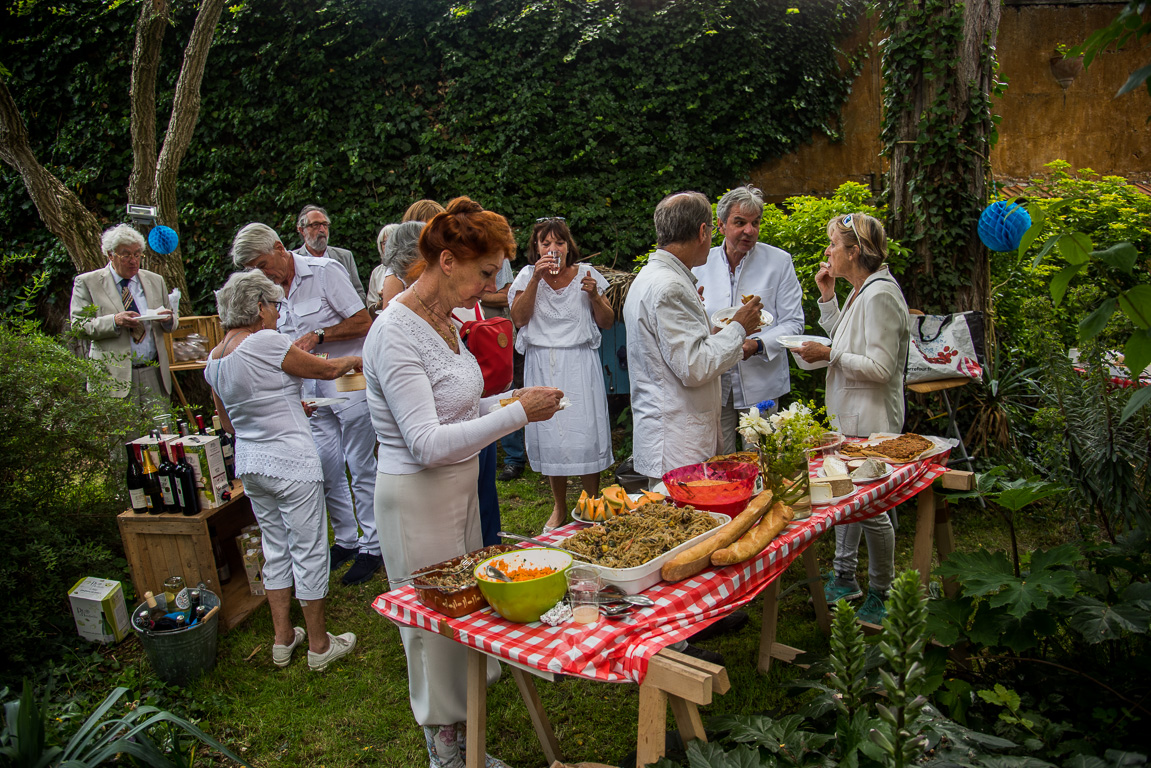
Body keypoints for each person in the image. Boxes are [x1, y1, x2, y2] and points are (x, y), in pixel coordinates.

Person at [363, 196, 562, 768]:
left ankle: (465, 743)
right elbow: (425, 443)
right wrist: (519, 414)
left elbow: (462, 405)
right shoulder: (395, 332)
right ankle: (445, 756)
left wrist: (513, 399)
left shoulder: (446, 320)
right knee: (431, 633)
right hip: (417, 499)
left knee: (466, 615)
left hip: (460, 490)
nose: (490, 286)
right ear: (446, 261)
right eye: (485, 273)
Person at [206, 270, 360, 671]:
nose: (277, 313)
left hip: (252, 463)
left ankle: (282, 639)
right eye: (274, 305)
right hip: (290, 461)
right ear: (258, 307)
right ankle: (320, 646)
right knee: (309, 550)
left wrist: (290, 406)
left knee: (276, 548)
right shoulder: (265, 340)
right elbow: (324, 370)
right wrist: (358, 359)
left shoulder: (214, 358)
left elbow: (229, 423)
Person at [232, 223, 383, 586]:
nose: (260, 273)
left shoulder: (325, 271)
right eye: (251, 268)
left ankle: (373, 546)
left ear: (280, 248)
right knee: (327, 469)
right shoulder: (265, 293)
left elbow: (364, 321)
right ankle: (346, 540)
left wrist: (320, 335)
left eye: (261, 263)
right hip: (309, 394)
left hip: (348, 384)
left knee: (360, 465)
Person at [795, 212, 910, 624]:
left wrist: (830, 355)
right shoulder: (864, 289)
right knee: (849, 497)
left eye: (832, 246)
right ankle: (845, 575)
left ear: (854, 252)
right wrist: (827, 299)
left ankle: (884, 591)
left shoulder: (880, 295)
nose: (827, 252)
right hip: (854, 419)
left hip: (873, 423)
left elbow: (880, 367)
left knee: (871, 509)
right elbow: (844, 340)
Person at [624, 192, 764, 487]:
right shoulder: (669, 286)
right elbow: (694, 367)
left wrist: (716, 333)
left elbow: (677, 352)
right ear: (703, 231)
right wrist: (738, 328)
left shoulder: (652, 276)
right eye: (712, 229)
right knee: (692, 529)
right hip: (679, 441)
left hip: (671, 434)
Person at [509, 217, 615, 531]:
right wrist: (535, 281)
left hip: (580, 363)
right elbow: (518, 318)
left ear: (569, 247)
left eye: (560, 242)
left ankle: (591, 501)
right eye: (546, 243)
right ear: (536, 248)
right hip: (542, 364)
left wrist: (595, 296)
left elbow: (607, 322)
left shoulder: (587, 275)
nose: (554, 249)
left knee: (585, 430)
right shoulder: (528, 276)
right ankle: (559, 506)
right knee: (551, 432)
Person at [693, 185, 805, 451]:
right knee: (721, 461)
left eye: (755, 223)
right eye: (740, 222)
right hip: (715, 381)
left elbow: (793, 322)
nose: (749, 231)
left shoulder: (778, 262)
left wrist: (758, 345)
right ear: (720, 225)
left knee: (764, 459)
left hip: (761, 382)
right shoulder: (700, 262)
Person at [69, 224, 178, 409]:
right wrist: (114, 321)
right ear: (110, 255)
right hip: (113, 378)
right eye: (126, 255)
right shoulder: (88, 283)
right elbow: (79, 326)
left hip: (154, 373)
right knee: (126, 437)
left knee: (162, 433)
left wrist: (168, 320)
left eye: (137, 254)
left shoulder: (155, 280)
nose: (133, 261)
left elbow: (172, 320)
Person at [294, 204, 367, 308]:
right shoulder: (294, 260)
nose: (322, 230)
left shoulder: (344, 256)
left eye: (325, 224)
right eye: (315, 225)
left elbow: (359, 293)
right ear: (302, 230)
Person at [367, 223, 400, 315]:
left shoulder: (410, 269)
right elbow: (370, 307)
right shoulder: (377, 272)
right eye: (385, 243)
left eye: (391, 241)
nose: (388, 246)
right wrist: (379, 304)